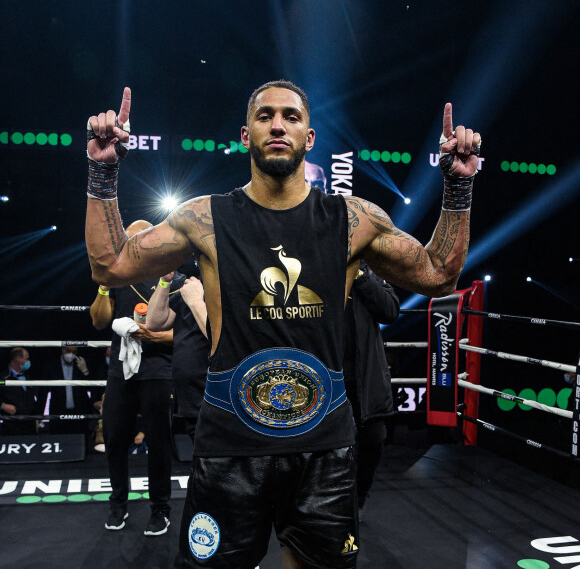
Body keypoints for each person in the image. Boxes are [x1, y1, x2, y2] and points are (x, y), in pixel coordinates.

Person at [84, 80, 481, 568]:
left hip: (324, 448)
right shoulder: (204, 218)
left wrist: (458, 185)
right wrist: (103, 173)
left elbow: (439, 274)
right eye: (265, 116)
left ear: (309, 137)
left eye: (291, 117)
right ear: (246, 135)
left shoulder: (353, 219)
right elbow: (111, 268)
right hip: (230, 444)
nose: (278, 125)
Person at [89, 220, 175, 537]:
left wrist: (150, 336)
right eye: (131, 238)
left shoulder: (170, 278)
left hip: (157, 370)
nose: (136, 242)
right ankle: (117, 505)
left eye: (141, 236)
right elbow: (99, 322)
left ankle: (160, 511)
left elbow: (183, 334)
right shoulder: (118, 279)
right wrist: (103, 284)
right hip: (120, 371)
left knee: (159, 442)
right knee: (114, 439)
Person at [343, 261, 400, 517]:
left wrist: (359, 272)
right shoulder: (314, 265)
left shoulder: (368, 268)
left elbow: (389, 310)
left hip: (366, 380)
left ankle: (358, 501)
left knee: (372, 443)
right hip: (327, 377)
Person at [146, 267, 210, 446]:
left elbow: (219, 339)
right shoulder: (194, 286)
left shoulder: (226, 290)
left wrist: (196, 301)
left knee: (214, 462)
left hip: (212, 395)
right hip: (190, 397)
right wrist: (165, 281)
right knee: (200, 460)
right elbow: (154, 321)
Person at [43, 345, 94, 437]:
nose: (71, 354)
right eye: (68, 350)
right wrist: (39, 415)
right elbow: (43, 391)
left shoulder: (82, 363)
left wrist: (85, 371)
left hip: (79, 412)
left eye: (74, 352)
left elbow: (92, 387)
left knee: (81, 443)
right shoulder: (52, 365)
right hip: (58, 412)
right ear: (62, 349)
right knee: (59, 442)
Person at [1, 347, 40, 435]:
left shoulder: (28, 377)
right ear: (19, 359)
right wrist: (2, 405)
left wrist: (36, 418)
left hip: (29, 425)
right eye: (27, 359)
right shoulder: (3, 377)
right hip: (11, 425)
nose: (28, 362)